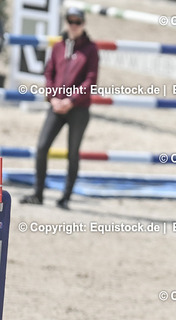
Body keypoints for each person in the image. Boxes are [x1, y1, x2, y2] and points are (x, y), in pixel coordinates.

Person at [20, 7, 99, 209]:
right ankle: (38, 194)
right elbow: (49, 73)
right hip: (56, 106)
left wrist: (71, 100)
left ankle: (66, 197)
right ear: (66, 22)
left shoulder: (91, 49)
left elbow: (90, 80)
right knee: (41, 147)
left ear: (83, 24)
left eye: (77, 22)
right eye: (70, 21)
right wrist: (53, 98)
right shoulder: (58, 46)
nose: (73, 25)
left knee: (73, 153)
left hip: (78, 109)